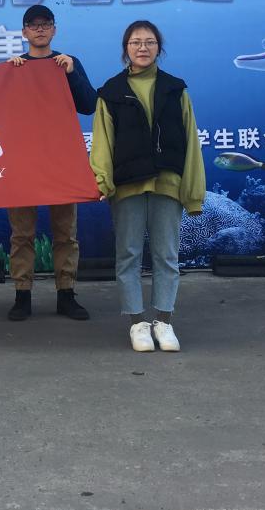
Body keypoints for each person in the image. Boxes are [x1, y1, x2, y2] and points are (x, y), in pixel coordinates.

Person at [90, 20, 205, 353]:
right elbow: (102, 142)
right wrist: (103, 180)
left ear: (159, 48)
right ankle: (137, 322)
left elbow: (191, 140)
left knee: (166, 255)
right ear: (126, 48)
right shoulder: (110, 92)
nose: (143, 47)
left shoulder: (175, 89)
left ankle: (164, 321)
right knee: (128, 254)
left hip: (168, 183)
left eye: (150, 42)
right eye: (136, 42)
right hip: (127, 186)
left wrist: (193, 192)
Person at [6, 4, 97, 321]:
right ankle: (22, 295)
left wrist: (72, 73)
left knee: (65, 232)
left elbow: (90, 105)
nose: (40, 29)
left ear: (54, 29)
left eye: (46, 24)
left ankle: (66, 294)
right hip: (24, 160)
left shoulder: (68, 62)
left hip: (62, 159)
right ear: (24, 32)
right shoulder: (14, 67)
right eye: (34, 25)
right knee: (21, 234)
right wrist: (8, 76)